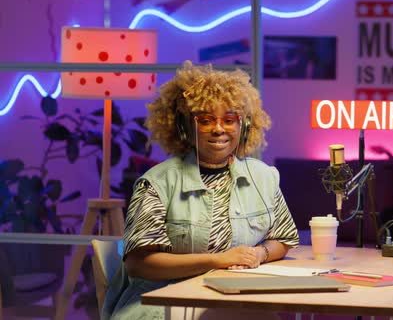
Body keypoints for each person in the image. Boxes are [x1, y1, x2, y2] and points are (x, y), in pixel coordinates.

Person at [102, 61, 300, 319]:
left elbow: (284, 238)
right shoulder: (157, 182)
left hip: (231, 297)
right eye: (206, 120)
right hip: (160, 301)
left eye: (229, 119)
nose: (219, 128)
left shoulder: (264, 177)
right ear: (184, 127)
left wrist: (258, 254)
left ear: (244, 126)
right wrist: (219, 260)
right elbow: (139, 264)